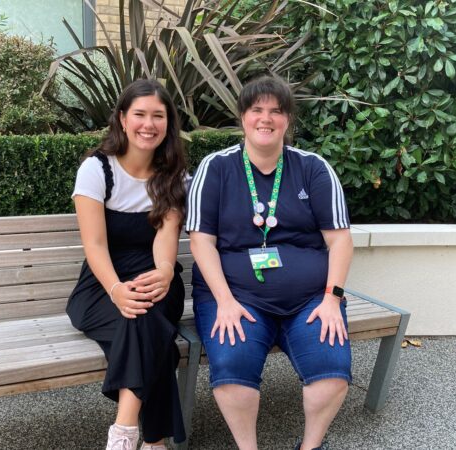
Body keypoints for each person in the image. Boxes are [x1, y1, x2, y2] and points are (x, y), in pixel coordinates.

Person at [186, 75, 354, 450]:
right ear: (242, 117)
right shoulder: (215, 168)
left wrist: (332, 298)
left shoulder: (314, 168)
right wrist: (225, 302)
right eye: (257, 109)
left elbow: (340, 239)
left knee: (331, 373)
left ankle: (310, 447)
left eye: (276, 111)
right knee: (232, 371)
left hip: (311, 300)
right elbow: (201, 241)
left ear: (288, 120)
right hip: (234, 298)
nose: (266, 118)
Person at [66, 79, 187, 450]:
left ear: (168, 124)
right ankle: (153, 441)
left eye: (158, 116)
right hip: (103, 284)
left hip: (156, 275)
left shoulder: (174, 175)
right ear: (122, 118)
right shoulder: (96, 169)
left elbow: (166, 237)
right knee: (153, 331)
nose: (148, 124)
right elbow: (95, 244)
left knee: (146, 310)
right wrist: (117, 290)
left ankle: (123, 433)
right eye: (139, 114)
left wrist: (166, 270)